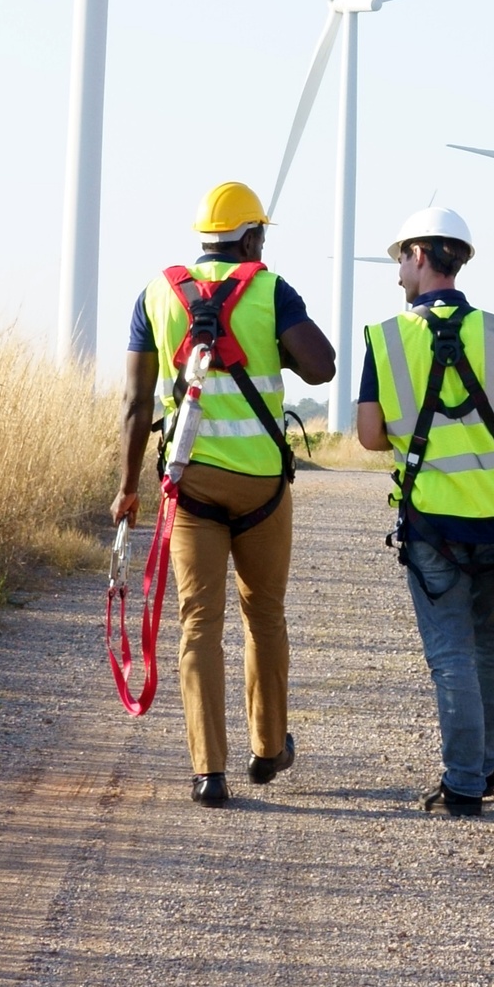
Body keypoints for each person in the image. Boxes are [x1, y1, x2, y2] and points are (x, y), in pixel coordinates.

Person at [114, 179, 336, 807]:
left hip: (190, 488)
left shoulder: (156, 294)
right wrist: (274, 344)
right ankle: (268, 750)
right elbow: (322, 366)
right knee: (263, 615)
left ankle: (207, 770)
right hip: (262, 486)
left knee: (198, 622)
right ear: (252, 237)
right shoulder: (270, 289)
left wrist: (128, 490)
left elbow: (135, 402)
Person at [352, 201, 494, 815]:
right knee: (491, 648)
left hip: (432, 522)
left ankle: (463, 785)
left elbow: (370, 437)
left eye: (400, 259)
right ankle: (482, 768)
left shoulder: (386, 338)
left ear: (420, 256)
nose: (398, 273)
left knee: (450, 652)